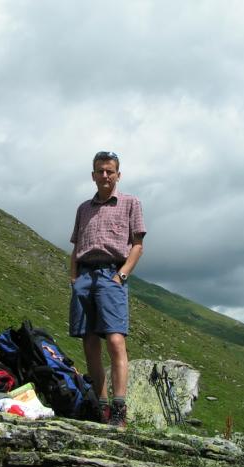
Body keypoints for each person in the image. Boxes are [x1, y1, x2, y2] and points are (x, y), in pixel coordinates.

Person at [69, 151, 146, 427]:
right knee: (90, 341)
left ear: (118, 175)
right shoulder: (83, 209)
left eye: (109, 171)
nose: (105, 175)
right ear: (93, 175)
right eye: (100, 171)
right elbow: (76, 246)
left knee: (115, 340)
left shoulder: (130, 203)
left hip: (111, 274)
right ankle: (101, 407)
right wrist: (74, 278)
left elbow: (137, 245)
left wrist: (121, 275)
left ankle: (119, 410)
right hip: (85, 276)